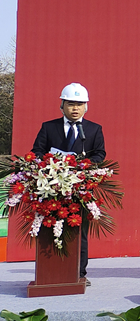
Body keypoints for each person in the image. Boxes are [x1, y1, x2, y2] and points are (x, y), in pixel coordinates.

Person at [32, 82, 106, 286]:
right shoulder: (49, 127)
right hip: (52, 187)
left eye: (79, 104)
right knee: (50, 226)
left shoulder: (93, 129)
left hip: (79, 188)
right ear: (62, 105)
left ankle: (79, 273)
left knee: (79, 230)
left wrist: (84, 165)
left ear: (86, 107)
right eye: (71, 104)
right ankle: (50, 271)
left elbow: (100, 154)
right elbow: (37, 151)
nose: (75, 108)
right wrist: (50, 164)